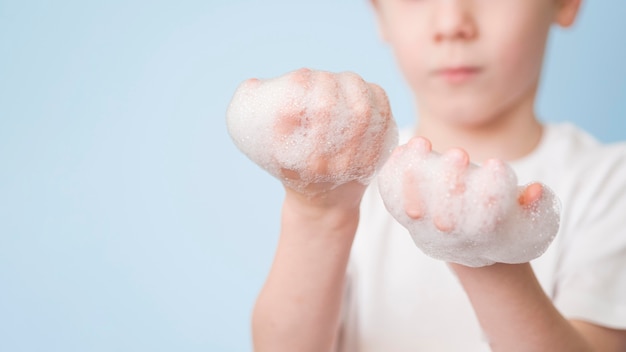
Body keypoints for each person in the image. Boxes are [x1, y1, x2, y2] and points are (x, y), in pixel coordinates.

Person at [250, 0, 626, 351]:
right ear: (379, 13)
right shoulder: (345, 176)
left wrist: (486, 257)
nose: (450, 24)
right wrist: (318, 215)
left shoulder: (610, 182)